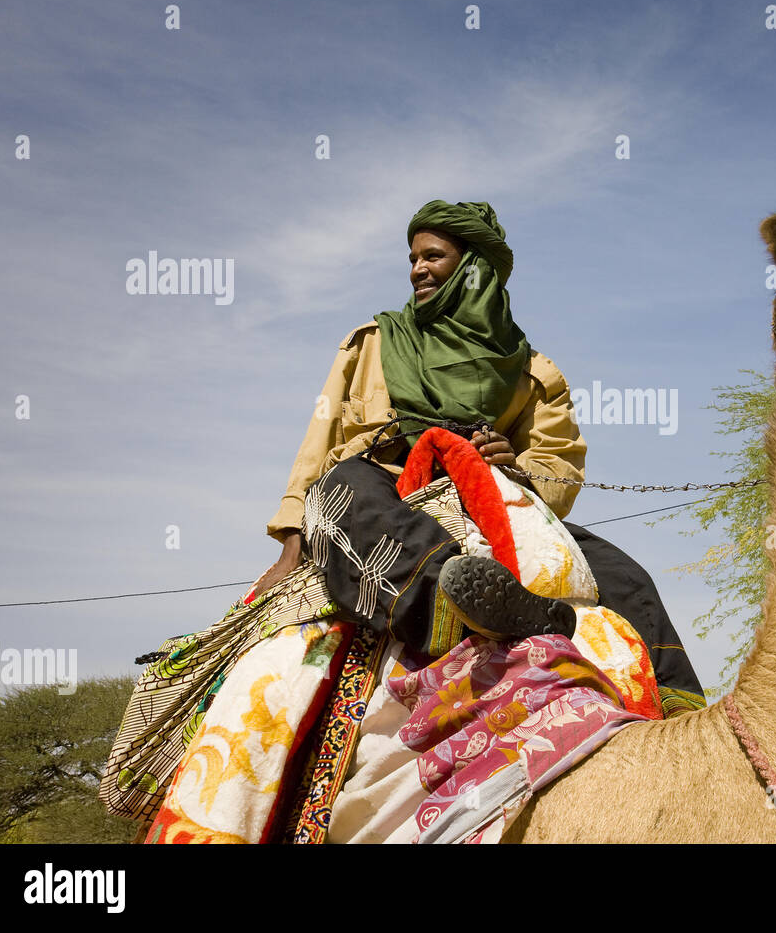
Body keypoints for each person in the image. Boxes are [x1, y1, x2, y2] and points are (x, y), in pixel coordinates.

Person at [255, 200, 706, 716]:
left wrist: (511, 464)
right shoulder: (373, 344)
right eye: (413, 258)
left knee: (623, 575)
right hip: (381, 484)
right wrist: (291, 542)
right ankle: (455, 611)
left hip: (480, 496)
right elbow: (318, 443)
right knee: (347, 487)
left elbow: (559, 473)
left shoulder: (533, 373)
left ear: (474, 268)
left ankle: (682, 719)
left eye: (433, 256)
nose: (417, 269)